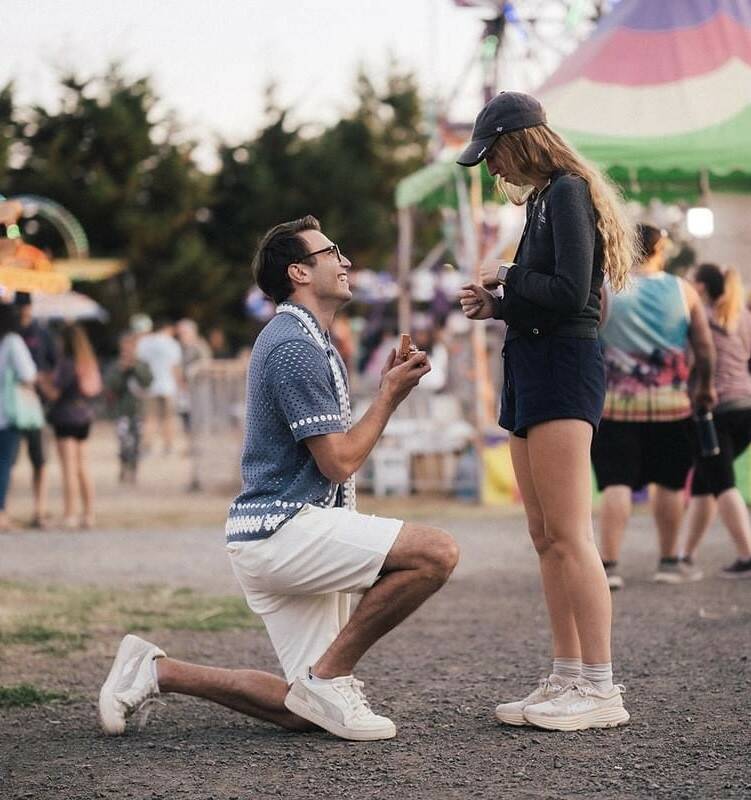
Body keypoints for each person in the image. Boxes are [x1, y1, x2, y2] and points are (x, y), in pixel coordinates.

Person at [99, 215, 459, 742]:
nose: (346, 260)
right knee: (437, 552)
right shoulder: (294, 344)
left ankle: (157, 670)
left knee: (301, 708)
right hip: (283, 531)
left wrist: (384, 390)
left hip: (276, 531)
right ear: (299, 272)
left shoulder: (306, 338)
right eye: (331, 252)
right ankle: (329, 677)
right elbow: (338, 462)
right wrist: (388, 397)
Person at [457, 91, 634, 731]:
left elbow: (569, 291)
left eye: (495, 155)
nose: (493, 169)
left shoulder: (565, 192)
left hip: (562, 367)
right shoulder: (541, 200)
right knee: (543, 536)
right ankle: (566, 676)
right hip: (532, 367)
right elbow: (557, 293)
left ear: (519, 141)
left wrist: (505, 277)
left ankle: (600, 687)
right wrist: (497, 306)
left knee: (568, 534)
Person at [592, 225, 715, 588]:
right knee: (671, 484)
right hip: (672, 405)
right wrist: (704, 388)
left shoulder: (607, 290)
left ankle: (610, 566)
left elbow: (590, 339)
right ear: (661, 249)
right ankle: (668, 561)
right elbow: (705, 349)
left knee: (616, 484)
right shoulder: (684, 290)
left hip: (616, 404)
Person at [679, 263, 751, 579]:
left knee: (721, 483)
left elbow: (690, 362)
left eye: (691, 282)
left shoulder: (700, 319)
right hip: (745, 407)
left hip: (713, 411)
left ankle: (747, 554)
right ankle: (684, 555)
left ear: (702, 289)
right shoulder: (743, 317)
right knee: (704, 483)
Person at [41, 323, 101, 529]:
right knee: (83, 467)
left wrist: (41, 382)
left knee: (68, 468)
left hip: (65, 416)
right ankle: (89, 513)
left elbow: (55, 393)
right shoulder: (88, 362)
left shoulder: (66, 364)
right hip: (84, 416)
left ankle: (70, 514)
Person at [14, 293, 57, 527]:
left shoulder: (42, 334)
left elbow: (53, 364)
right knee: (7, 461)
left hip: (37, 405)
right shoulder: (8, 334)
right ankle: (5, 508)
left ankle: (39, 509)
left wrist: (44, 382)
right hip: (11, 404)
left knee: (39, 459)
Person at [0, 303, 37, 531]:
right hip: (7, 411)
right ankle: (1, 512)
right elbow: (28, 373)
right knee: (4, 463)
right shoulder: (12, 341)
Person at [105, 332, 153, 484]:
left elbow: (147, 381)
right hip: (122, 410)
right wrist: (121, 371)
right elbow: (112, 386)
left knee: (136, 442)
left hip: (138, 410)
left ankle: (134, 470)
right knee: (123, 441)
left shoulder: (142, 364)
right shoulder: (116, 366)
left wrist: (135, 367)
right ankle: (124, 466)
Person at [136, 318, 183, 455]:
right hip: (168, 386)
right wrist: (180, 384)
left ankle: (147, 446)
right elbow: (175, 367)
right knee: (168, 418)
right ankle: (168, 446)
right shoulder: (172, 343)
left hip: (150, 386)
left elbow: (139, 363)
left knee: (150, 418)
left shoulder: (145, 343)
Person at [175, 318, 211, 434]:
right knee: (185, 416)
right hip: (184, 388)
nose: (181, 335)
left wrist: (194, 369)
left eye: (183, 333)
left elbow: (207, 362)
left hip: (199, 386)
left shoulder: (200, 345)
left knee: (200, 415)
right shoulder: (179, 347)